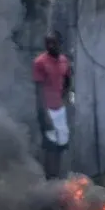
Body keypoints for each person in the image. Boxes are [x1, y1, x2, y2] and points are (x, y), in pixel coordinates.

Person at [33, 31, 72, 180]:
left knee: (62, 145)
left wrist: (66, 97)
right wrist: (44, 114)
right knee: (50, 147)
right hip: (47, 109)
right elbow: (38, 90)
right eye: (47, 43)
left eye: (53, 43)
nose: (50, 46)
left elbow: (68, 79)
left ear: (59, 44)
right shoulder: (40, 62)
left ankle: (60, 177)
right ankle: (50, 180)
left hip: (60, 108)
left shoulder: (63, 61)